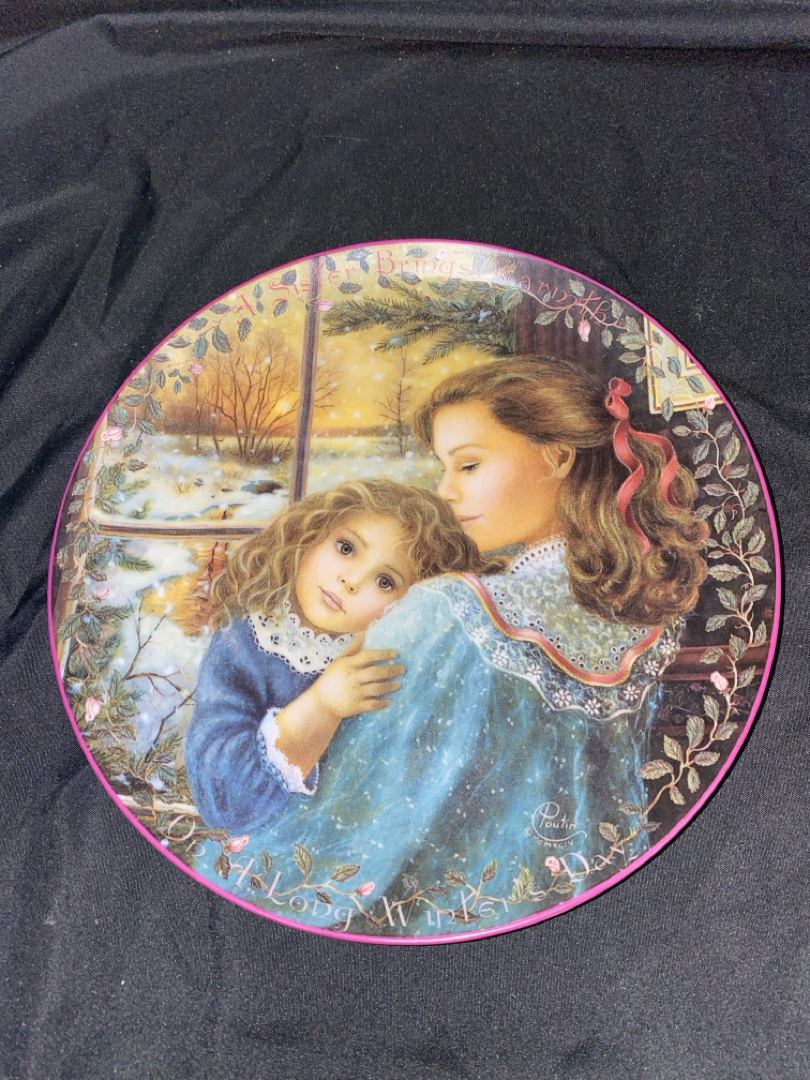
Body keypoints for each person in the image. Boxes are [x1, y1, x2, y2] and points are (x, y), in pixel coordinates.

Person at [194, 357, 708, 937]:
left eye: (468, 464)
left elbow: (346, 816)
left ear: (558, 457)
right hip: (586, 915)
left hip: (431, 920)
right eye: (445, 468)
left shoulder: (450, 609)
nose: (446, 490)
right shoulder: (638, 623)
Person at [185, 478, 502, 835]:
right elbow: (224, 801)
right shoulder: (245, 640)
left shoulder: (393, 661)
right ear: (309, 535)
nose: (352, 580)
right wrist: (322, 706)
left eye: (385, 581)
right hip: (270, 841)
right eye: (347, 548)